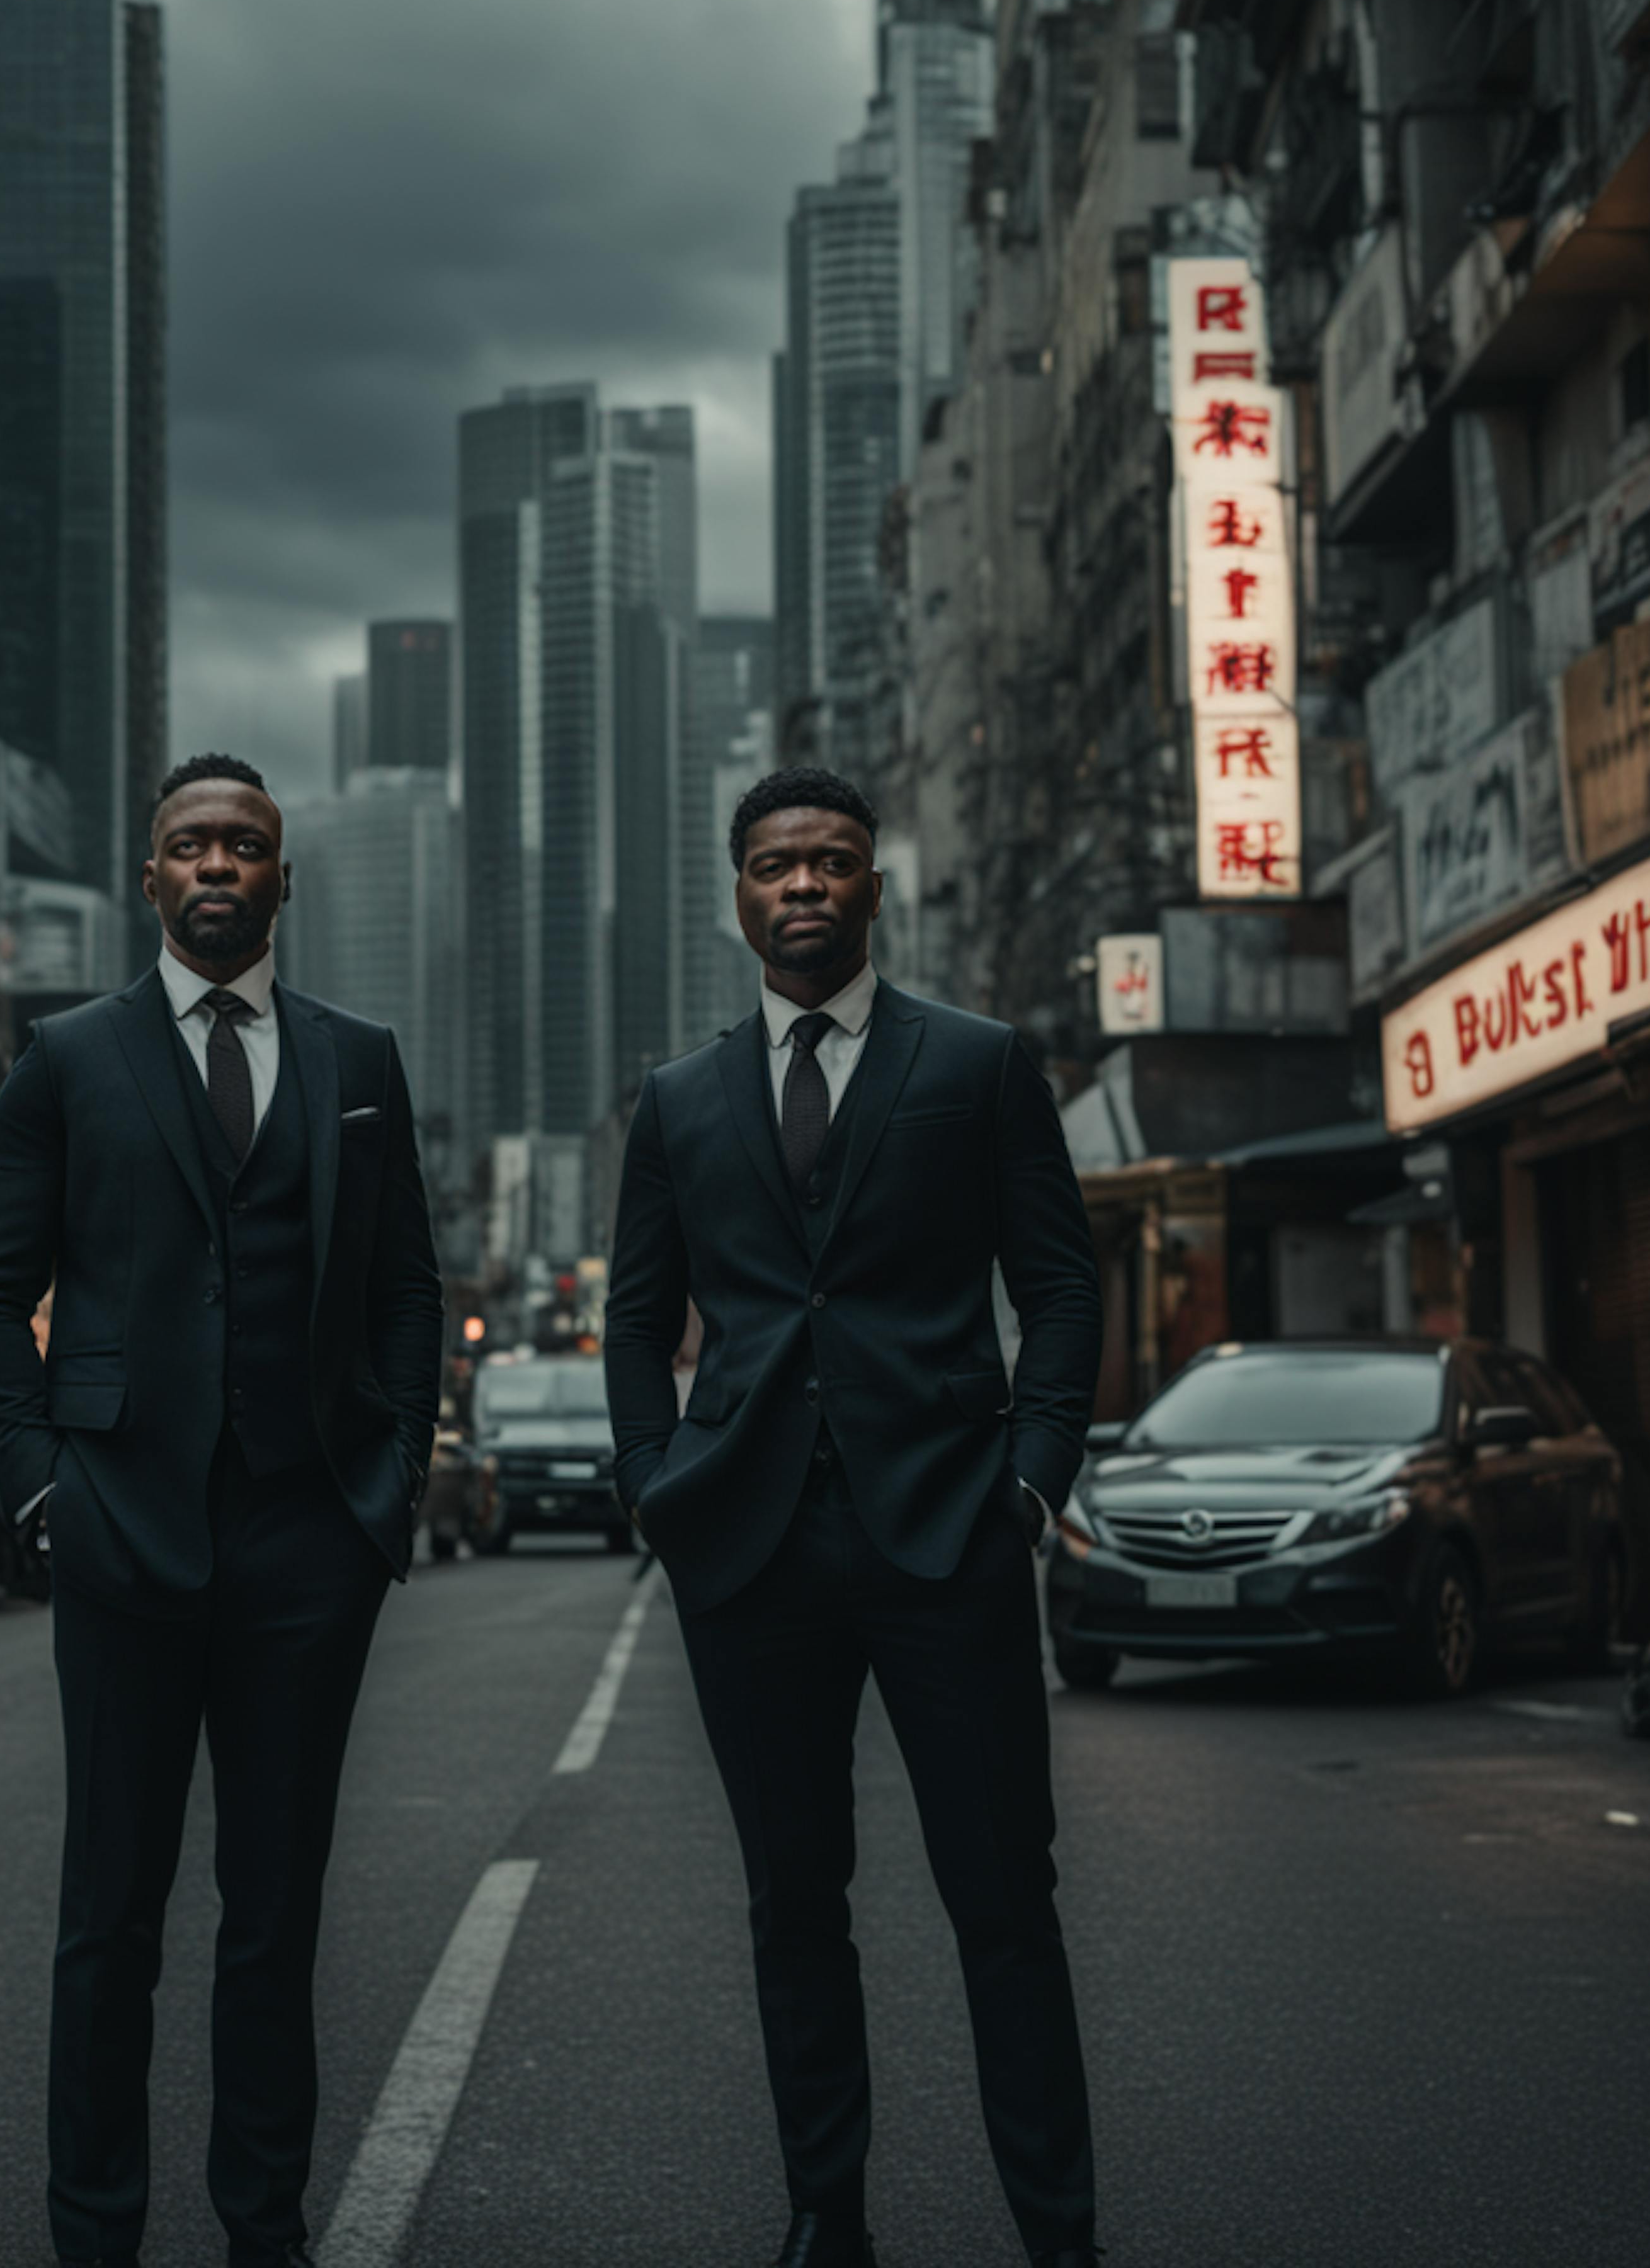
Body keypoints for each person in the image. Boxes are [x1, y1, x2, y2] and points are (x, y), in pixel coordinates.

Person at [602, 766, 1104, 2268]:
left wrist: (1031, 1478)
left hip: (950, 1531)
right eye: (775, 866)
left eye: (831, 863)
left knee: (1004, 1898)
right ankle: (828, 2214)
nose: (804, 886)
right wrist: (652, 1479)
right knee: (792, 1900)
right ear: (738, 894)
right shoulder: (681, 1100)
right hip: (750, 1550)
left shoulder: (980, 1064)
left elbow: (1062, 1284)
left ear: (876, 886)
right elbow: (637, 1321)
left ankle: (1059, 2229)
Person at [0, 752, 443, 2268]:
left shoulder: (359, 1060)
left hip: (309, 1541)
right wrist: (41, 1487)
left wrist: (389, 1490)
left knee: (274, 1915)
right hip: (121, 1530)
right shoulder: (67, 1058)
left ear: (284, 879)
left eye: (247, 844)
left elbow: (409, 1293)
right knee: (109, 1917)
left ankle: (263, 2228)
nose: (220, 864)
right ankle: (95, 2229)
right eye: (191, 845)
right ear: (152, 878)